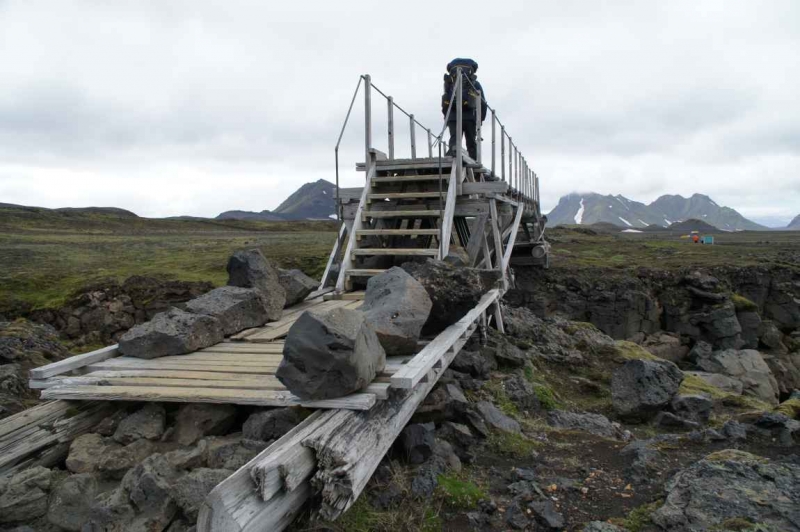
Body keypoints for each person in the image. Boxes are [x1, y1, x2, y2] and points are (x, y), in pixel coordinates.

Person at [441, 58, 487, 160]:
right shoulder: (474, 83)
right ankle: (474, 162)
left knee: (454, 140)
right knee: (471, 142)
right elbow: (483, 103)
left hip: (453, 116)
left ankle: (451, 158)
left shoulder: (449, 82)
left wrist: (446, 117)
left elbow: (446, 99)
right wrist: (480, 120)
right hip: (470, 117)